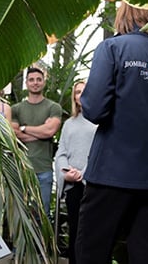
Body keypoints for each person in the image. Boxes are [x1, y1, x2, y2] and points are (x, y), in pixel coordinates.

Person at [75, 2, 148, 264]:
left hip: (112, 173)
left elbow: (94, 109)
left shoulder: (112, 48)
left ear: (126, 14)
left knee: (92, 252)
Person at [54, 80, 97, 264]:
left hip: (93, 183)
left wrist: (84, 173)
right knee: (75, 229)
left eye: (84, 90)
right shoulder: (69, 124)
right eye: (77, 92)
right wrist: (66, 172)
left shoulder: (100, 122)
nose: (81, 94)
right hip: (72, 184)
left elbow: (100, 152)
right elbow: (61, 152)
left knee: (92, 230)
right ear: (74, 97)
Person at [11, 66, 63, 217]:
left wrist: (24, 127)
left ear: (44, 82)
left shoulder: (53, 107)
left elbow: (50, 131)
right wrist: (41, 132)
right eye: (31, 80)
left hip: (44, 169)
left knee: (42, 215)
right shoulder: (16, 109)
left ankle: (42, 242)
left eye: (39, 79)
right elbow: (13, 135)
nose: (35, 83)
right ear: (26, 83)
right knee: (19, 215)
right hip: (21, 168)